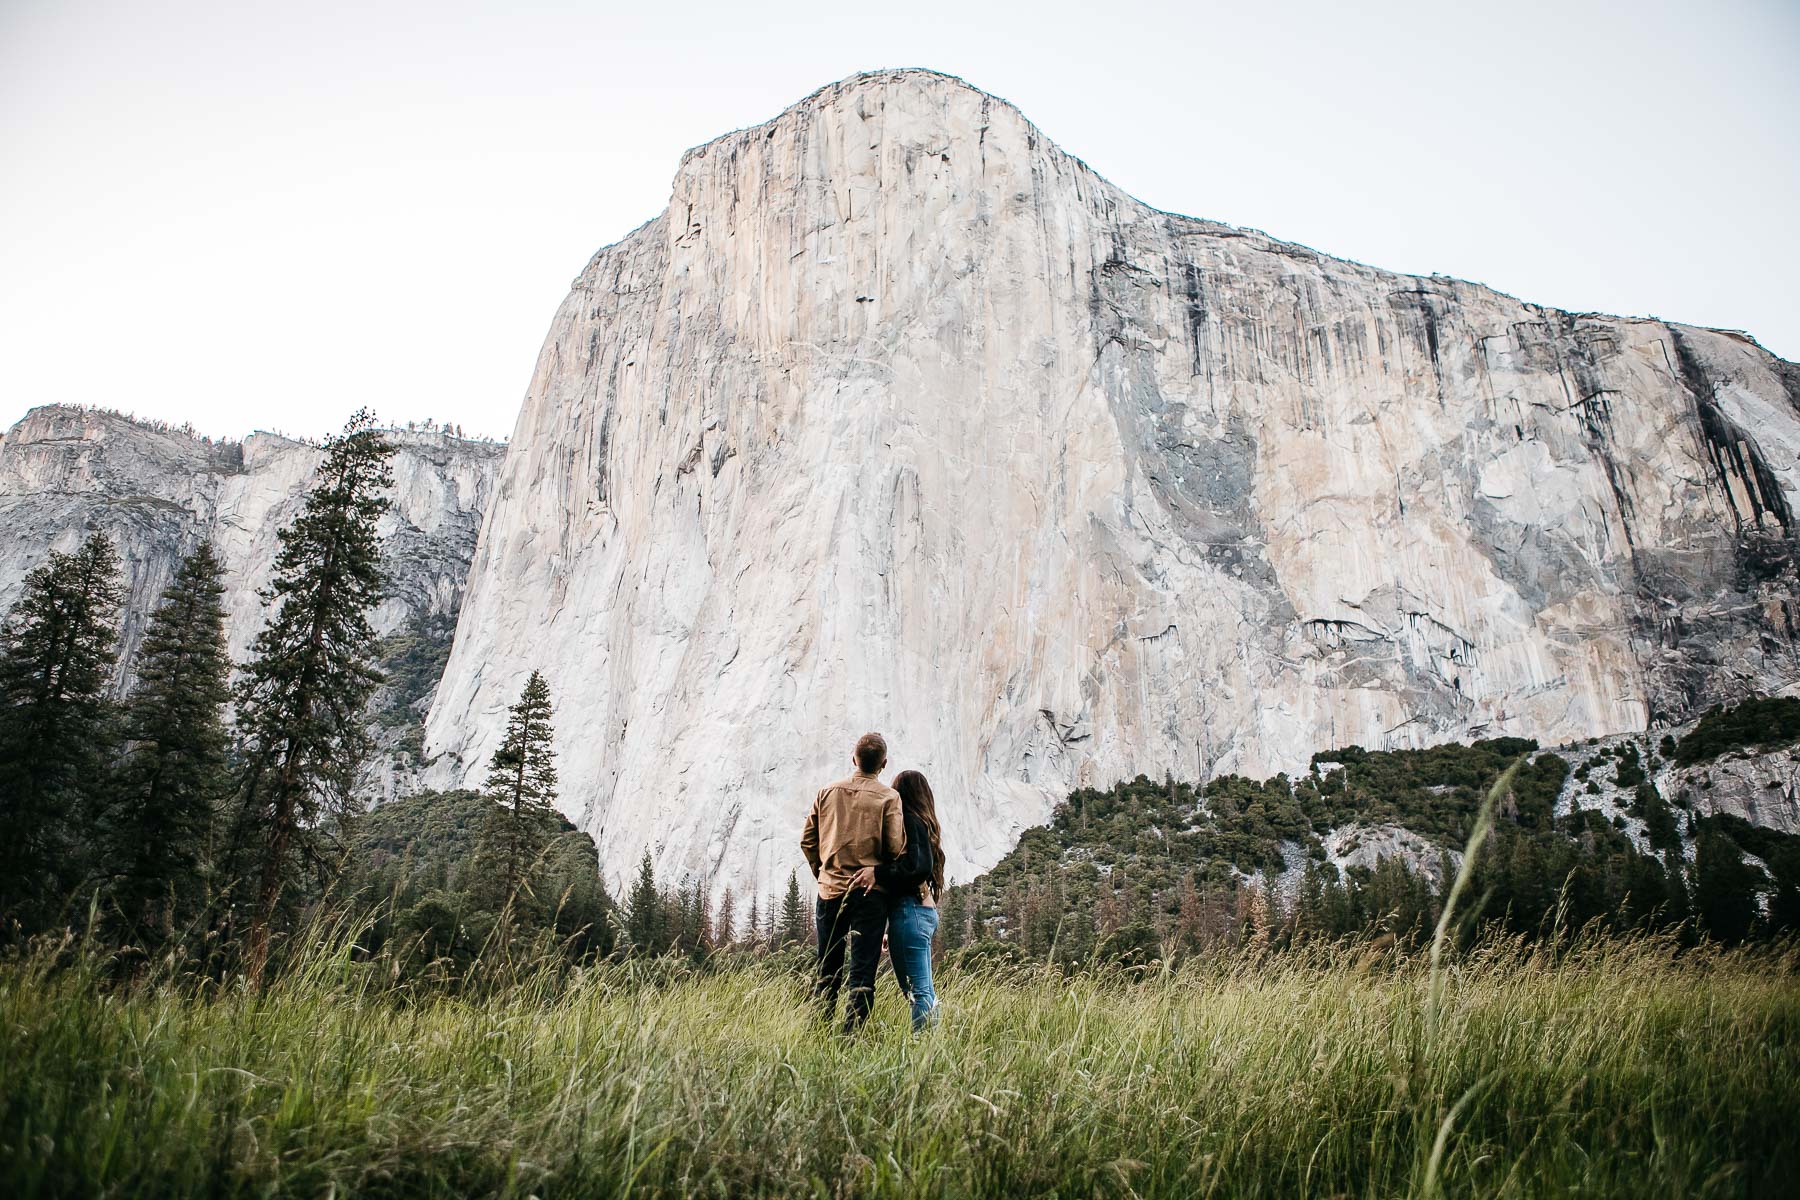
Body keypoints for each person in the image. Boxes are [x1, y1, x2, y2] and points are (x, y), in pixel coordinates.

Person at [800, 731, 904, 1033]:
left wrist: (823, 871)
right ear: (883, 764)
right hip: (870, 896)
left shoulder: (827, 792)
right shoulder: (888, 798)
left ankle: (817, 1032)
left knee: (827, 967)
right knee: (862, 971)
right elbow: (895, 848)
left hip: (830, 892)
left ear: (854, 759)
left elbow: (807, 839)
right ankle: (850, 1038)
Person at [851, 769, 945, 1030]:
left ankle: (925, 1049)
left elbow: (917, 868)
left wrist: (877, 872)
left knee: (918, 990)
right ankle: (929, 1044)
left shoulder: (911, 822)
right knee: (917, 989)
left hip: (911, 914)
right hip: (916, 915)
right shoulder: (924, 825)